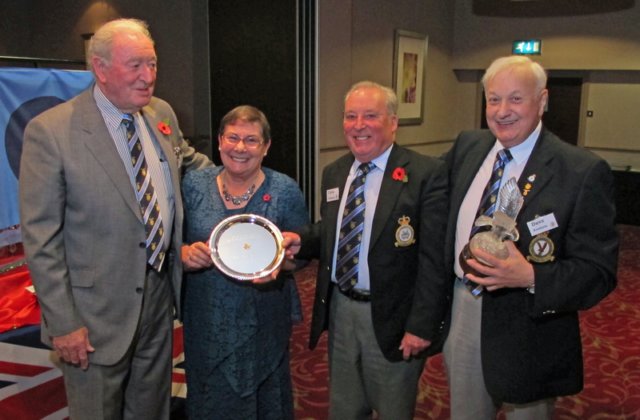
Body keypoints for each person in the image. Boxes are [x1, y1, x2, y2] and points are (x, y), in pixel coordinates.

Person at [19, 18, 211, 419]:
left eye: (152, 64)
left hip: (158, 299)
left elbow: (192, 166)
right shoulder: (51, 132)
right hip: (93, 316)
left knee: (151, 409)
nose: (148, 76)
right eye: (135, 65)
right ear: (100, 68)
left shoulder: (161, 113)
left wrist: (251, 179)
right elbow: (41, 240)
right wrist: (64, 323)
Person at [442, 55, 618, 419]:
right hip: (463, 310)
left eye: (516, 99)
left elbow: (598, 271)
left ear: (542, 101)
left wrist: (531, 276)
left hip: (530, 327)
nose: (502, 111)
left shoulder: (580, 170)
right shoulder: (467, 147)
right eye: (493, 99)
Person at [286, 81, 449, 419]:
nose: (358, 126)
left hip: (395, 316)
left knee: (392, 409)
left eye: (370, 116)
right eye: (350, 116)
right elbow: (335, 229)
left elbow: (435, 259)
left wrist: (421, 326)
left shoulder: (425, 174)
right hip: (341, 309)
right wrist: (303, 239)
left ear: (393, 122)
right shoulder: (334, 172)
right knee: (345, 408)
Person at [179, 105, 309, 419]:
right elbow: (172, 239)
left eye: (251, 140)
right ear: (220, 141)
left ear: (266, 147)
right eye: (232, 137)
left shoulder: (285, 190)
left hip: (263, 315)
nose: (240, 147)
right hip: (206, 314)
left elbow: (302, 255)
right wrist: (183, 254)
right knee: (209, 396)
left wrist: (282, 265)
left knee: (264, 397)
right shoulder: (194, 185)